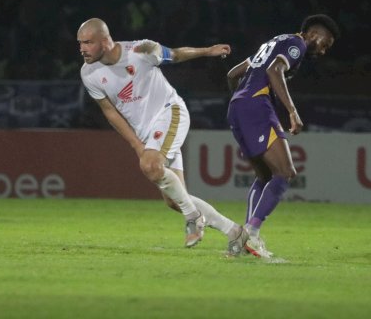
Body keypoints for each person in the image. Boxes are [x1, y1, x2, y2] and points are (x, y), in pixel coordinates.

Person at [77, 18, 247, 256]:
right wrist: (137, 144)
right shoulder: (89, 73)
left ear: (105, 41)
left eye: (87, 42)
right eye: (80, 43)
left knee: (150, 165)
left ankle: (193, 217)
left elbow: (176, 55)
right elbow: (110, 112)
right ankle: (235, 233)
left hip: (170, 112)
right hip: (147, 134)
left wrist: (208, 51)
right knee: (173, 200)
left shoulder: (141, 50)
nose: (82, 48)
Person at [226, 14, 340, 258]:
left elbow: (232, 74)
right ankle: (252, 234)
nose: (323, 51)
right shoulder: (296, 44)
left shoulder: (272, 42)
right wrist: (292, 111)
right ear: (313, 34)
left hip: (237, 107)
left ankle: (246, 239)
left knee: (266, 175)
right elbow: (275, 70)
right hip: (256, 105)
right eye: (325, 44)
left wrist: (240, 102)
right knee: (286, 172)